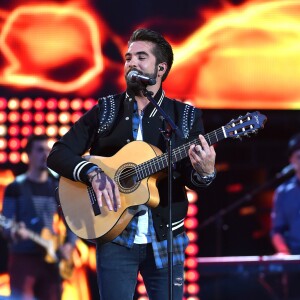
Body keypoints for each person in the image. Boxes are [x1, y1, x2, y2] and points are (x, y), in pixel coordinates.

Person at [47, 28, 216, 300]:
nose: (131, 63)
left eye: (140, 57)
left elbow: (189, 176)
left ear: (161, 69)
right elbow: (58, 153)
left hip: (166, 238)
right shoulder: (106, 110)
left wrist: (205, 173)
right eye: (128, 58)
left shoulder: (183, 116)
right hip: (115, 236)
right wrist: (92, 173)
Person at [1, 134, 77, 300]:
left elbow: (73, 221)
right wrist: (14, 232)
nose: (45, 154)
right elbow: (5, 225)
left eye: (48, 150)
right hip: (23, 258)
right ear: (28, 154)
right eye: (40, 150)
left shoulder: (56, 188)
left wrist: (69, 246)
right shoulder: (15, 187)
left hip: (52, 259)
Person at [270, 133, 300, 300]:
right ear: (292, 161)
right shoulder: (283, 192)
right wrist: (285, 253)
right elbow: (276, 231)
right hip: (295, 262)